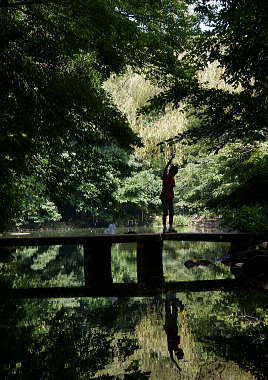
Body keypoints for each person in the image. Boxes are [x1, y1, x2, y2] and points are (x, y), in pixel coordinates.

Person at [163, 295, 184, 369]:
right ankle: (170, 300)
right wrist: (178, 367)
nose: (182, 350)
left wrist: (178, 367)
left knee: (171, 313)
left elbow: (172, 359)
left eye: (181, 352)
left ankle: (170, 300)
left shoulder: (172, 348)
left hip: (170, 327)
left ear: (179, 352)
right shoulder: (172, 348)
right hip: (171, 327)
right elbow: (172, 359)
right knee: (171, 313)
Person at [160, 154, 178, 233]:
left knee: (172, 212)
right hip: (164, 196)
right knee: (165, 212)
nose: (174, 174)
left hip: (170, 196)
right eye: (174, 172)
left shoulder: (172, 178)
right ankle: (164, 227)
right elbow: (165, 168)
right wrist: (170, 161)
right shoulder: (166, 176)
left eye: (175, 173)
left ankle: (170, 227)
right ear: (171, 171)